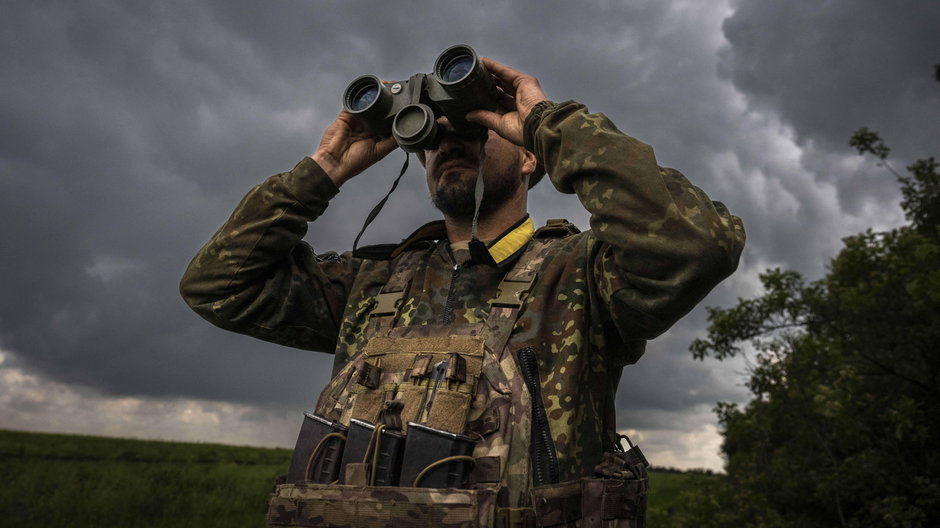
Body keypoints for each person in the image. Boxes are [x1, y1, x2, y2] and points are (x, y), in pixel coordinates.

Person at [180, 56, 745, 527]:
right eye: (433, 136)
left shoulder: (580, 277)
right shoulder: (370, 283)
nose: (448, 142)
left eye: (474, 129)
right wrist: (324, 169)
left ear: (529, 157)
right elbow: (217, 286)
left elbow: (698, 244)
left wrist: (551, 123)